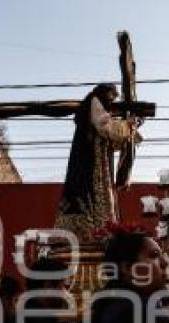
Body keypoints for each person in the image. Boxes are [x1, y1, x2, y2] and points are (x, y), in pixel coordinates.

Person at [55, 84, 142, 238]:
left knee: (102, 198)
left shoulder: (101, 108)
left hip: (101, 164)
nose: (112, 100)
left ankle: (101, 230)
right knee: (88, 196)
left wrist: (130, 130)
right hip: (90, 163)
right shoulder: (94, 101)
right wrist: (127, 125)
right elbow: (104, 126)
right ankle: (90, 231)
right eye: (111, 95)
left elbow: (113, 140)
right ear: (103, 92)